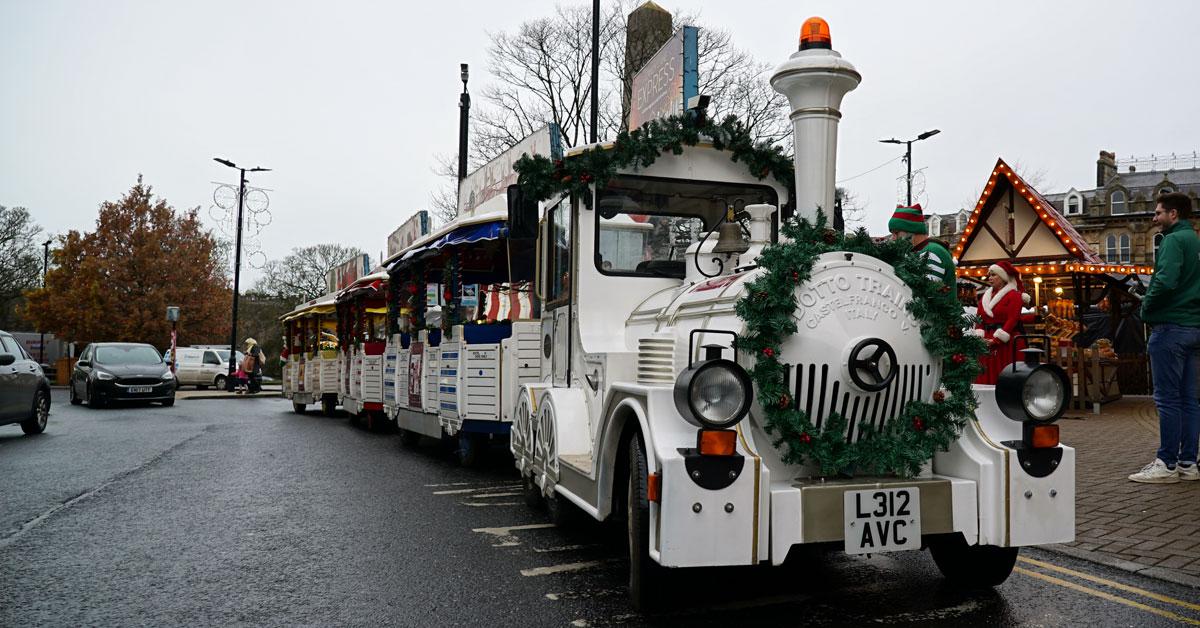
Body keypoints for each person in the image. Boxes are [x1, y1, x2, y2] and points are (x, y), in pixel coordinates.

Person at [1128, 192, 1200, 483]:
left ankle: (1166, 464)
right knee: (1189, 400)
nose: (1154, 218)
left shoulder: (1172, 240)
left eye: (1158, 213)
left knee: (1168, 399)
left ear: (1174, 214)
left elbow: (1166, 279)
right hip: (1193, 327)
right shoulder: (1195, 241)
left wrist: (1147, 305)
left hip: (1170, 328)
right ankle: (1188, 463)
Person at [971, 260, 1028, 385]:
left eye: (993, 275)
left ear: (1003, 277)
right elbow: (979, 319)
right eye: (989, 275)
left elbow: (1012, 320)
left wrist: (996, 340)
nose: (990, 278)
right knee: (985, 375)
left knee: (1004, 377)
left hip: (1006, 342)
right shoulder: (984, 298)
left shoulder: (1014, 296)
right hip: (986, 341)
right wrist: (980, 337)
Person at [888, 204, 957, 287]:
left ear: (911, 230)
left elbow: (926, 292)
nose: (893, 238)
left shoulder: (931, 252)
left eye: (896, 233)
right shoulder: (924, 251)